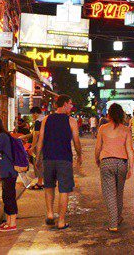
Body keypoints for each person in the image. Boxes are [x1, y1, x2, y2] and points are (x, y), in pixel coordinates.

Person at [36, 95, 83, 230]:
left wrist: (38, 157)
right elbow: (76, 141)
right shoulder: (71, 121)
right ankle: (61, 221)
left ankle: (50, 214)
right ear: (64, 104)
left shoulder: (46, 119)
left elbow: (40, 139)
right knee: (64, 190)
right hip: (64, 159)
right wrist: (79, 155)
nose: (71, 106)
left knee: (49, 186)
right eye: (70, 104)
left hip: (48, 158)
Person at [95, 103, 134, 232]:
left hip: (106, 162)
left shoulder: (102, 128)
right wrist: (131, 168)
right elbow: (130, 150)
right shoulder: (126, 130)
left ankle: (113, 224)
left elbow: (98, 147)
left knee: (109, 193)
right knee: (119, 192)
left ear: (109, 114)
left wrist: (97, 159)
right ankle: (117, 217)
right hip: (122, 163)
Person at [29, 106, 45, 190]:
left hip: (39, 145)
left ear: (35, 113)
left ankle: (39, 182)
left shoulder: (38, 121)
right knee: (42, 162)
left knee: (37, 162)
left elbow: (36, 135)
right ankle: (41, 181)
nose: (32, 116)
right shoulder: (45, 119)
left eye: (32, 114)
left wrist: (32, 146)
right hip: (46, 145)